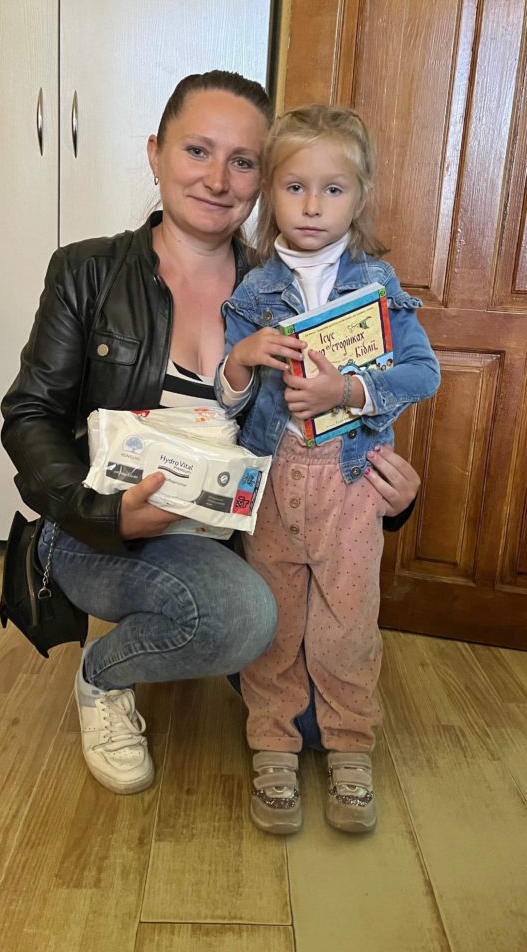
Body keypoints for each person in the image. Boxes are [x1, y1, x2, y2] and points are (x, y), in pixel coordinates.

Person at [1, 73, 421, 799]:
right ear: (156, 154)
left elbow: (330, 428)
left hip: (228, 538)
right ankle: (102, 678)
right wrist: (103, 512)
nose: (219, 180)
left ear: (267, 179)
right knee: (243, 618)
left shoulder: (281, 291)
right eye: (198, 150)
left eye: (245, 162)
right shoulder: (88, 271)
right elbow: (30, 415)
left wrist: (396, 496)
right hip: (98, 528)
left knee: (314, 726)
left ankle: (213, 627)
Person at [215, 104, 440, 834]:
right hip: (274, 473)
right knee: (276, 620)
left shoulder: (379, 284)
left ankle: (349, 748)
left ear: (361, 195)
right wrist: (241, 364)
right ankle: (273, 746)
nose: (312, 206)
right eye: (295, 187)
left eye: (333, 189)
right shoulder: (252, 291)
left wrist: (349, 390)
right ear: (269, 194)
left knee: (347, 618)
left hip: (349, 472)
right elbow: (228, 402)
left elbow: (422, 372)